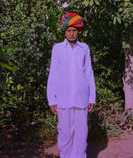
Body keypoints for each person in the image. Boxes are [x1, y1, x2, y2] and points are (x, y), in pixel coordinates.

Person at [47, 12, 96, 158]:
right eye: (69, 30)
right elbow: (53, 74)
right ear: (65, 31)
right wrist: (52, 99)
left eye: (74, 30)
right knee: (64, 133)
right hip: (63, 99)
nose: (72, 33)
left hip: (82, 98)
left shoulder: (84, 48)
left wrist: (92, 97)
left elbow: (89, 73)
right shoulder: (57, 48)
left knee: (81, 134)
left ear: (78, 31)